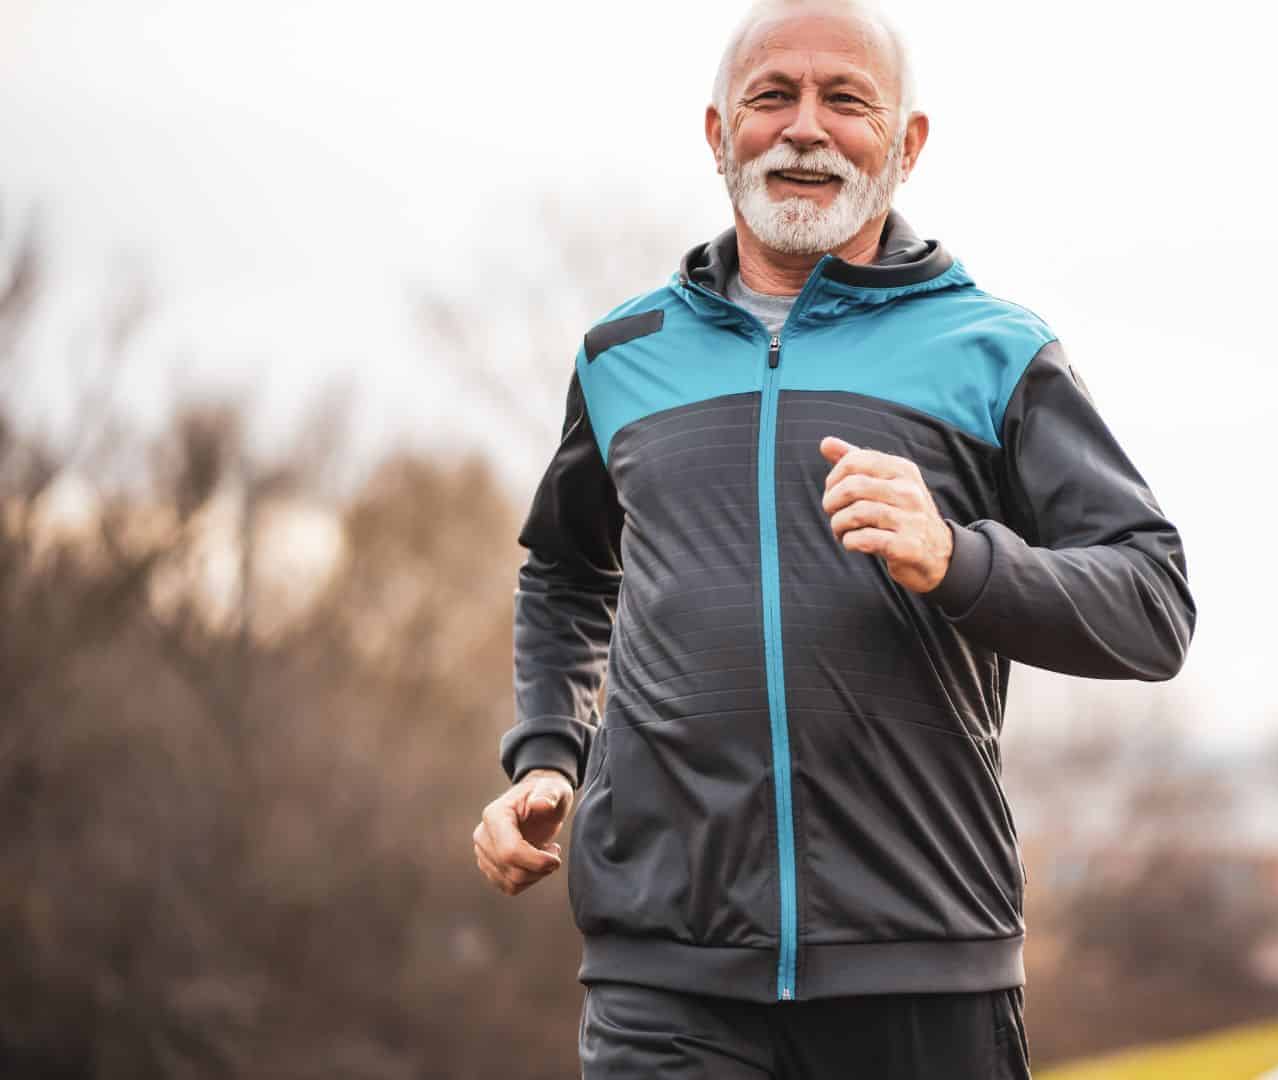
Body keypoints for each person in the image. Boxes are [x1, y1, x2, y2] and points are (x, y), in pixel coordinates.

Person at [470, 2, 1198, 1075]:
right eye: (772, 96)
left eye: (846, 99)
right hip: (662, 973)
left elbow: (1153, 604)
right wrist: (546, 753)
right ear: (721, 136)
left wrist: (957, 559)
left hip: (921, 965)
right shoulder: (621, 355)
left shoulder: (995, 350)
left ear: (905, 145)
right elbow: (568, 568)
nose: (804, 127)